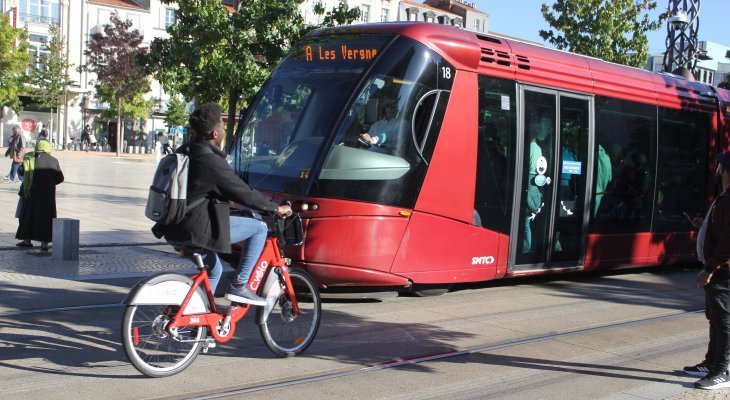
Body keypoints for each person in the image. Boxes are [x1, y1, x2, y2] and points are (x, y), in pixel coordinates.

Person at [152, 103, 292, 305]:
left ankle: (196, 321)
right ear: (215, 133)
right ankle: (239, 285)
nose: (225, 131)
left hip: (174, 227)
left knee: (214, 271)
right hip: (196, 230)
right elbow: (243, 192)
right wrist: (275, 208)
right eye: (223, 127)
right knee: (259, 228)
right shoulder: (211, 161)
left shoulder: (186, 151)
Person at [685, 152, 730, 390]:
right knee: (715, 318)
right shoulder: (724, 196)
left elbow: (728, 242)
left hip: (722, 271)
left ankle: (721, 371)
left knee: (723, 321)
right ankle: (712, 362)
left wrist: (710, 268)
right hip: (717, 269)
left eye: (720, 165)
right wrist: (703, 225)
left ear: (723, 169)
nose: (717, 168)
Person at [15, 129, 64, 251]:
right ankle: (44, 244)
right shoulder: (54, 160)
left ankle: (27, 241)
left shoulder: (29, 158)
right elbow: (60, 178)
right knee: (46, 218)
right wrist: (49, 184)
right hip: (47, 197)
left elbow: (20, 171)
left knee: (27, 216)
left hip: (30, 194)